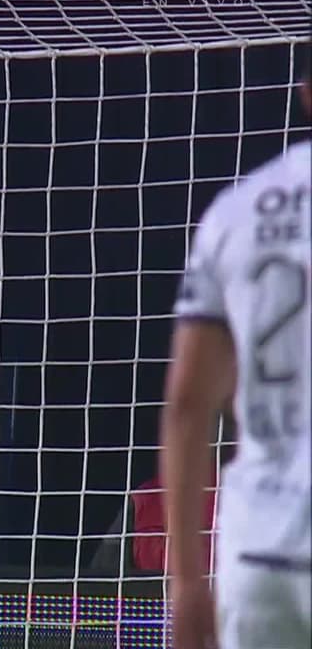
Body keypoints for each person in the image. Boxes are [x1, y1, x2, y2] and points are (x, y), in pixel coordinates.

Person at [161, 58, 311, 649]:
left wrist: (186, 583)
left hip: (259, 555)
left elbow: (186, 405)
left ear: (306, 94)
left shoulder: (236, 210)